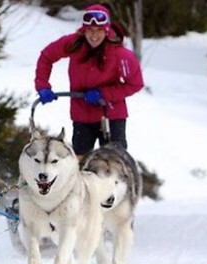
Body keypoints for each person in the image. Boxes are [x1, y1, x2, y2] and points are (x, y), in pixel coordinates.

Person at [34, 4, 144, 160]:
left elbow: (135, 83)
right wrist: (43, 85)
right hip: (82, 114)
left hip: (110, 114)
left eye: (99, 30)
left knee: (113, 162)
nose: (94, 36)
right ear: (83, 30)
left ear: (106, 30)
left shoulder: (120, 54)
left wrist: (103, 94)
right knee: (79, 162)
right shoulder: (73, 44)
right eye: (90, 30)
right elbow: (46, 56)